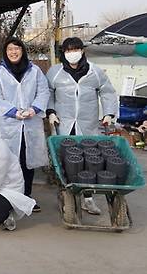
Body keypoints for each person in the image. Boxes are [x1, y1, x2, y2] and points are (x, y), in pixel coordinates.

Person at [46, 36, 119, 215]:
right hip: (64, 123)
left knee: (88, 162)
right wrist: (50, 112)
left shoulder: (95, 72)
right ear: (64, 52)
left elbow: (108, 92)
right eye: (68, 50)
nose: (72, 53)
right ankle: (66, 194)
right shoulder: (55, 72)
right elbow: (47, 92)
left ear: (82, 51)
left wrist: (109, 114)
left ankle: (88, 199)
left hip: (88, 124)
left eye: (75, 49)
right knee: (65, 161)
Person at [0, 37, 49, 212]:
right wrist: (13, 112)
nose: (13, 52)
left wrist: (34, 109)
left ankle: (27, 197)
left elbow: (43, 91)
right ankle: (8, 199)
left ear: (22, 51)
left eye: (17, 49)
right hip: (8, 125)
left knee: (27, 162)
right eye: (10, 49)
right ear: (5, 53)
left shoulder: (35, 70)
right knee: (8, 162)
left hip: (30, 123)